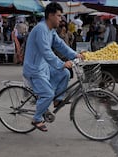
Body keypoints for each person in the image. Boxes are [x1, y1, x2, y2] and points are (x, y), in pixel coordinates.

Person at [23, 2, 82, 132]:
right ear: (50, 15)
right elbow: (46, 52)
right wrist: (61, 63)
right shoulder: (41, 29)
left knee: (65, 73)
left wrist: (75, 55)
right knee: (47, 94)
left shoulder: (51, 30)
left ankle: (57, 100)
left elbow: (60, 45)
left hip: (44, 66)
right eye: (59, 16)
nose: (61, 19)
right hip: (34, 69)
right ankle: (37, 118)